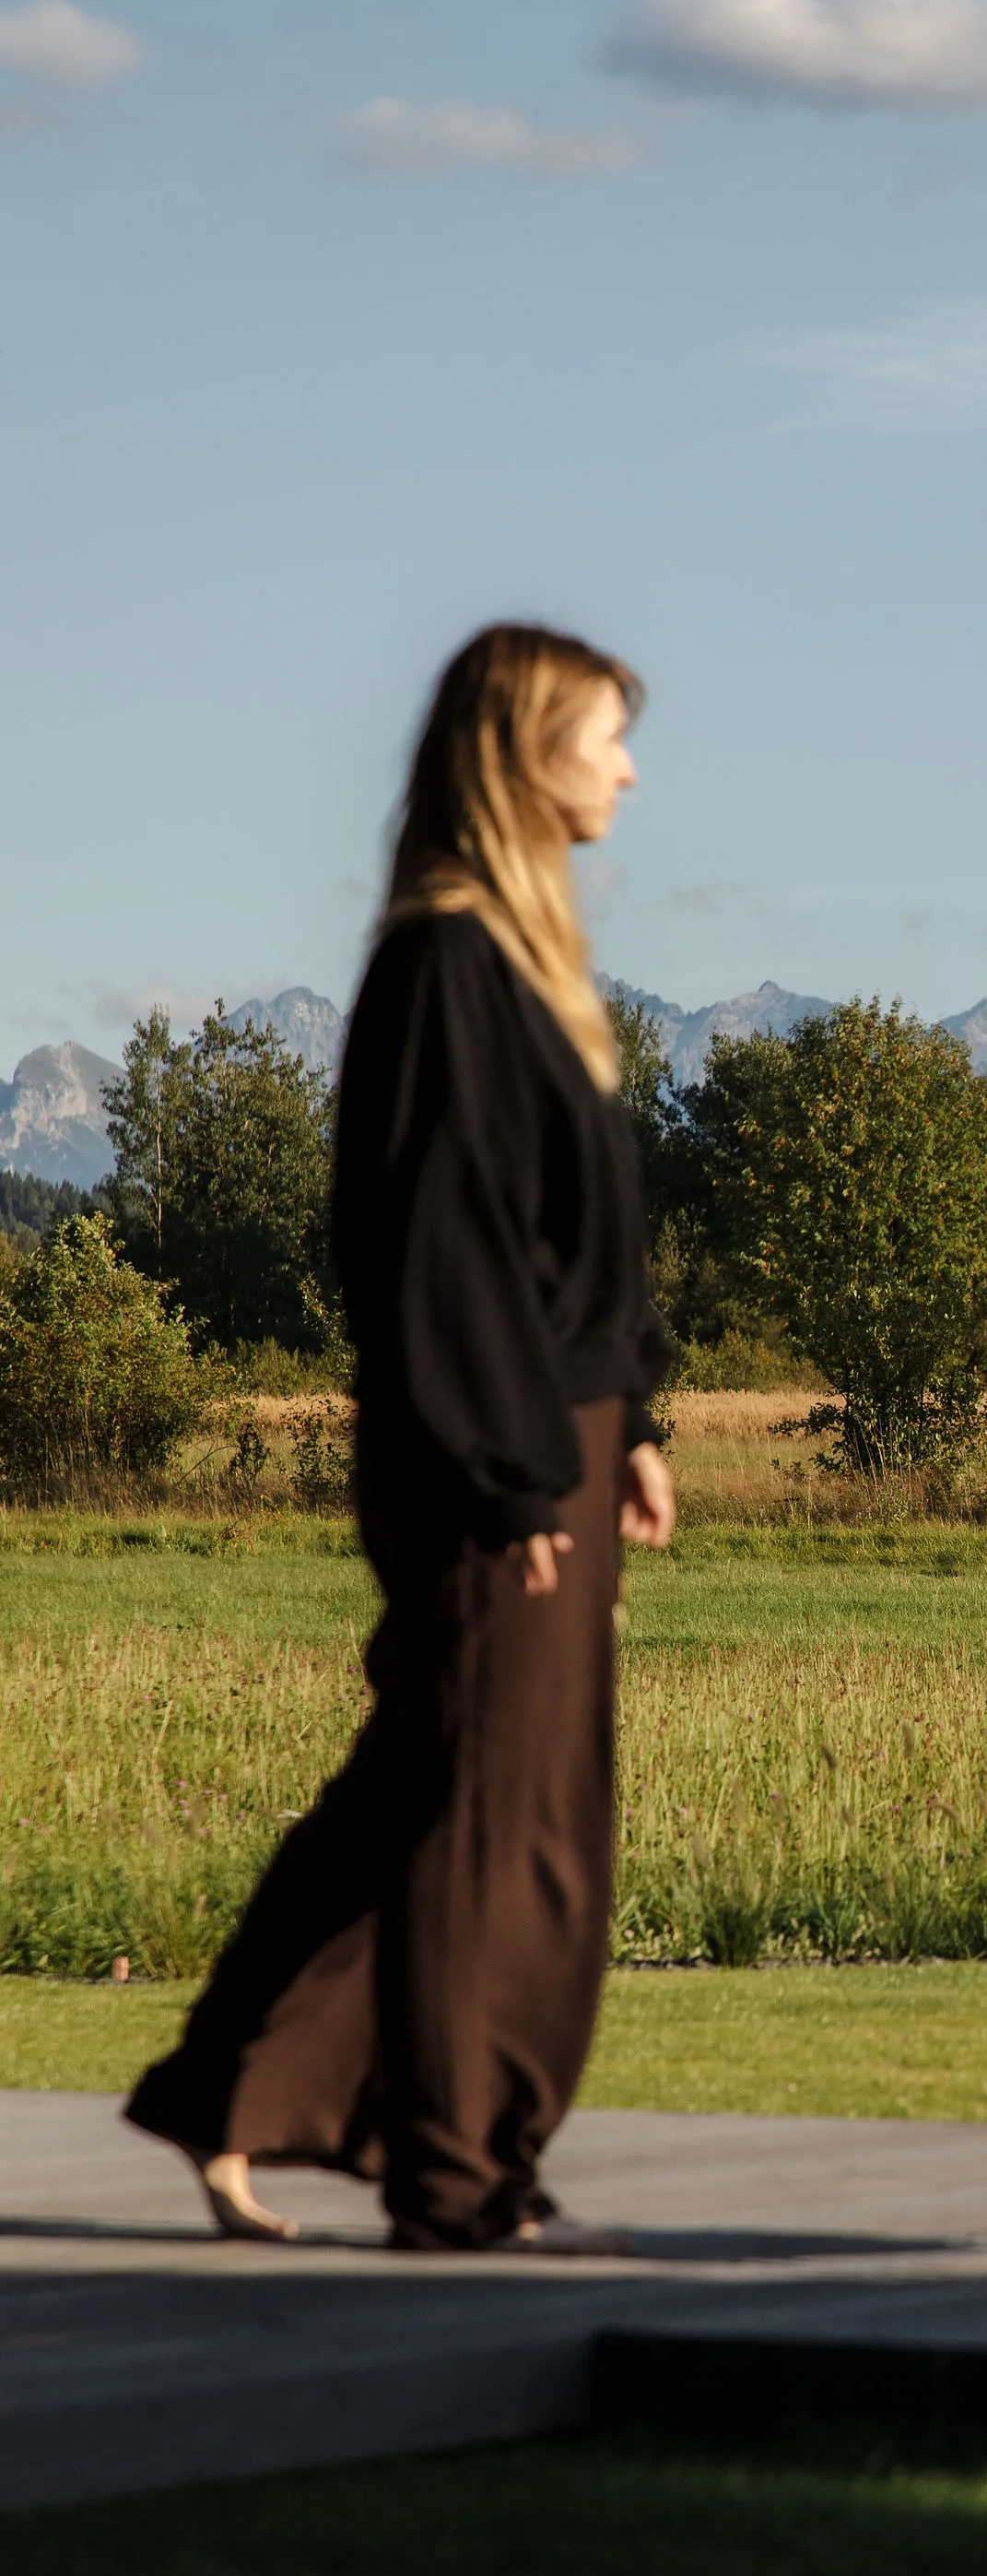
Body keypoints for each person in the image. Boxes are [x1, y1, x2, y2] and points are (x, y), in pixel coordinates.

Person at [127, 622, 676, 2251]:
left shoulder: (526, 969)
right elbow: (442, 1252)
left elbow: (576, 1247)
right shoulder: (447, 966)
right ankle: (455, 2170)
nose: (628, 769)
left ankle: (244, 2091)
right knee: (498, 1826)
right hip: (491, 1452)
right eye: (605, 736)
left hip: (555, 1436)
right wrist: (511, 1474)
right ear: (523, 752)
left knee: (441, 1792)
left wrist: (632, 1419)